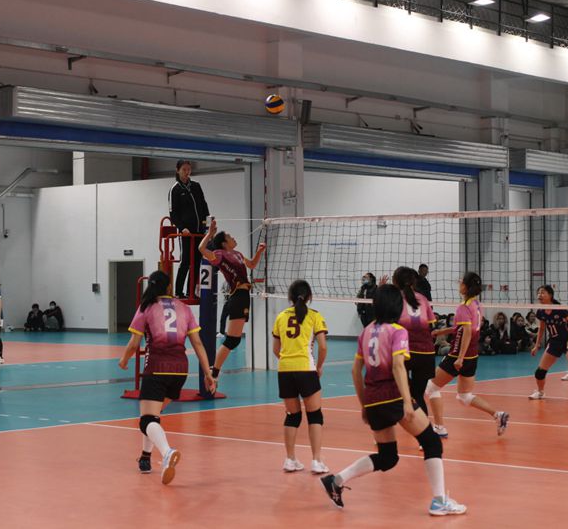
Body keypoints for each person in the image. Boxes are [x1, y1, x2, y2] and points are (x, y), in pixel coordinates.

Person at [320, 284, 466, 516]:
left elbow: (355, 371)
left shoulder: (366, 331)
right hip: (393, 395)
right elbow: (398, 365)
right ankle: (440, 501)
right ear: (397, 308)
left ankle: (336, 481)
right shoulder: (398, 331)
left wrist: (364, 405)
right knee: (432, 442)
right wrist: (407, 402)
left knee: (387, 457)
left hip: (372, 398)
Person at [118, 271, 215, 484]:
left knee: (146, 420)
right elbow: (198, 343)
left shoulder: (146, 307)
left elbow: (134, 343)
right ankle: (145, 459)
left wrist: (124, 359)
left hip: (157, 368)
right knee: (153, 415)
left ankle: (167, 452)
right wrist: (208, 373)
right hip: (180, 370)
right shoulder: (184, 308)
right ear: (169, 287)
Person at [425, 272, 510, 436]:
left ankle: (439, 428)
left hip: (458, 356)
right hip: (472, 357)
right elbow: (463, 328)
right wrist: (442, 331)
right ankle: (498, 415)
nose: (459, 284)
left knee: (431, 388)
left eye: (461, 282)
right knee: (464, 396)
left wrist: (460, 358)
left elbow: (467, 332)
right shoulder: (476, 305)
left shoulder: (463, 307)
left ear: (466, 286)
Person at [198, 218, 265, 384]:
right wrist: (210, 234)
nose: (233, 237)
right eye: (229, 236)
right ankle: (213, 372)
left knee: (234, 340)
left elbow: (252, 264)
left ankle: (214, 371)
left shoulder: (238, 254)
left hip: (244, 296)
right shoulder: (219, 255)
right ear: (224, 243)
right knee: (232, 340)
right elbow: (201, 249)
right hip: (237, 296)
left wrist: (259, 251)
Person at [272, 280, 328, 474]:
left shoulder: (281, 316)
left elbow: (276, 349)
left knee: (292, 416)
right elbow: (322, 347)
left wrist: (288, 362)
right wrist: (318, 367)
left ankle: (290, 459)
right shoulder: (314, 316)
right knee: (315, 415)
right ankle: (316, 461)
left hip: (284, 370)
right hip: (306, 369)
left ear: (290, 296)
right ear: (309, 296)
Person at [391, 267, 445, 436]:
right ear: (413, 282)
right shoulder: (423, 298)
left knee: (395, 389)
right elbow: (430, 324)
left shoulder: (395, 298)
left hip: (404, 351)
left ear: (395, 281)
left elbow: (389, 324)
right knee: (418, 394)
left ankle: (385, 432)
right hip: (426, 353)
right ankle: (425, 434)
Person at [168, 159, 210, 298]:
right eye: (184, 170)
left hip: (199, 232)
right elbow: (173, 214)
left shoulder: (196, 186)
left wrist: (207, 223)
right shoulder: (175, 189)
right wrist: (182, 228)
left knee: (197, 261)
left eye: (189, 169)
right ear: (178, 170)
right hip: (186, 233)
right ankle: (179, 292)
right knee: (186, 260)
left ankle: (191, 291)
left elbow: (204, 205)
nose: (187, 172)